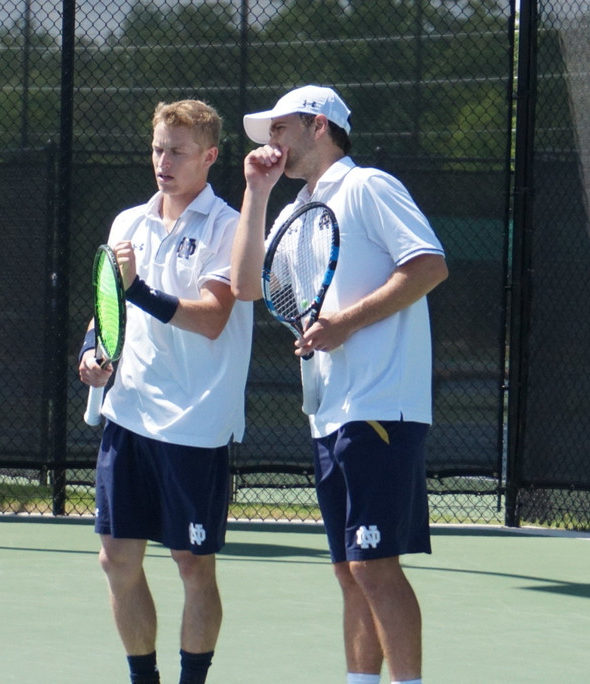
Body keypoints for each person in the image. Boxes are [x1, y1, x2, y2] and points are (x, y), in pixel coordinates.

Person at [231, 85, 447, 684]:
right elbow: (247, 286)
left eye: (280, 128)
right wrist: (255, 191)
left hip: (381, 405)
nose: (272, 142)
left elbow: (429, 265)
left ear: (319, 125)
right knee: (349, 570)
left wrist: (345, 323)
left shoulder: (369, 187)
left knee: (374, 565)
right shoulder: (293, 211)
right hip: (329, 412)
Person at [78, 99, 252, 684]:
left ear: (209, 156)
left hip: (196, 424)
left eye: (177, 151)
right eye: (157, 149)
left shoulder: (228, 228)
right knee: (116, 559)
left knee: (192, 564)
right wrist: (92, 351)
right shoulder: (127, 223)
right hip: (128, 415)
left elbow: (213, 317)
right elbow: (108, 308)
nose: (163, 161)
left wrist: (138, 290)